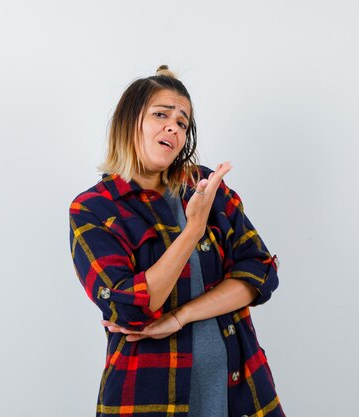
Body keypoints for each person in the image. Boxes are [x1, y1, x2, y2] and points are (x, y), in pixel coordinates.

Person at [69, 65, 284, 417]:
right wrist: (192, 232)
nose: (174, 126)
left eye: (183, 123)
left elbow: (260, 272)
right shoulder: (93, 209)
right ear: (129, 121)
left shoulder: (205, 186)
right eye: (161, 115)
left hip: (240, 393)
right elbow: (131, 309)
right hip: (146, 398)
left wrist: (180, 316)